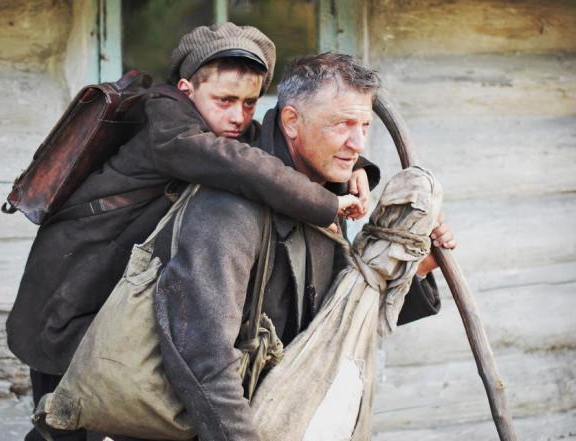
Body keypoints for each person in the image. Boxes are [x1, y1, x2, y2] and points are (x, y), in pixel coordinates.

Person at [6, 23, 379, 441]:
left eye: (250, 103)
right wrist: (326, 202)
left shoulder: (225, 130)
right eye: (225, 100)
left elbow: (270, 154)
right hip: (72, 295)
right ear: (186, 90)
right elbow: (244, 165)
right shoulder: (168, 125)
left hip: (115, 300)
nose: (238, 116)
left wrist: (354, 169)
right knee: (69, 415)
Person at [150, 52, 455, 441]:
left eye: (364, 125)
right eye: (342, 124)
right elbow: (203, 361)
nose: (357, 143)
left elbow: (338, 322)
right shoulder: (230, 209)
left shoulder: (328, 197)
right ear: (292, 122)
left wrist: (420, 267)